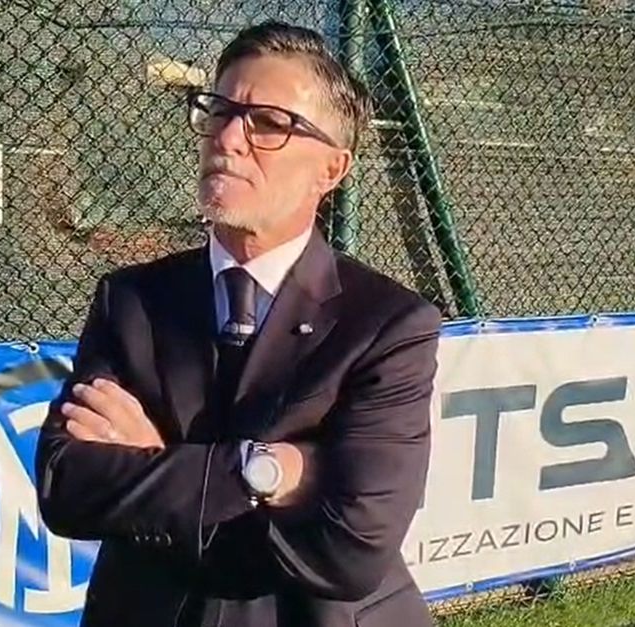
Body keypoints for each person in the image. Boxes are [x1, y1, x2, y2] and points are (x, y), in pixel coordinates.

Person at [35, 20, 441, 627]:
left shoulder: (388, 325)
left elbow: (352, 548)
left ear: (332, 169)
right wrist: (268, 470)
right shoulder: (132, 299)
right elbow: (68, 486)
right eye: (219, 111)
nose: (227, 137)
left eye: (270, 124)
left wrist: (155, 461)